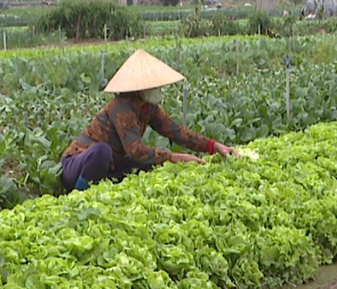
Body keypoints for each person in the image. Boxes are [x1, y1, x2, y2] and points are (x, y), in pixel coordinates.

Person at [60, 49, 237, 193]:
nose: (159, 90)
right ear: (142, 87)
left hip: (111, 166)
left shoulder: (148, 108)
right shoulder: (122, 107)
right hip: (77, 165)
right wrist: (174, 157)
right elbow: (136, 150)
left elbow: (176, 131)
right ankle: (79, 196)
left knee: (144, 164)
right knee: (102, 151)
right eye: (155, 87)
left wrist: (213, 146)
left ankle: (103, 190)